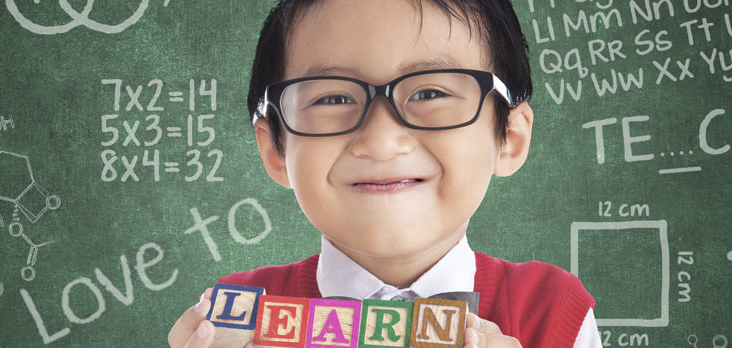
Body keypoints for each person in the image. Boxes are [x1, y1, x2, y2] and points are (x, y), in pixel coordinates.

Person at [168, 0, 601, 347]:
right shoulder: (233, 320)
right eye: (333, 99)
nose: (380, 140)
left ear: (509, 136)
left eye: (431, 92)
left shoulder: (554, 308)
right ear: (275, 149)